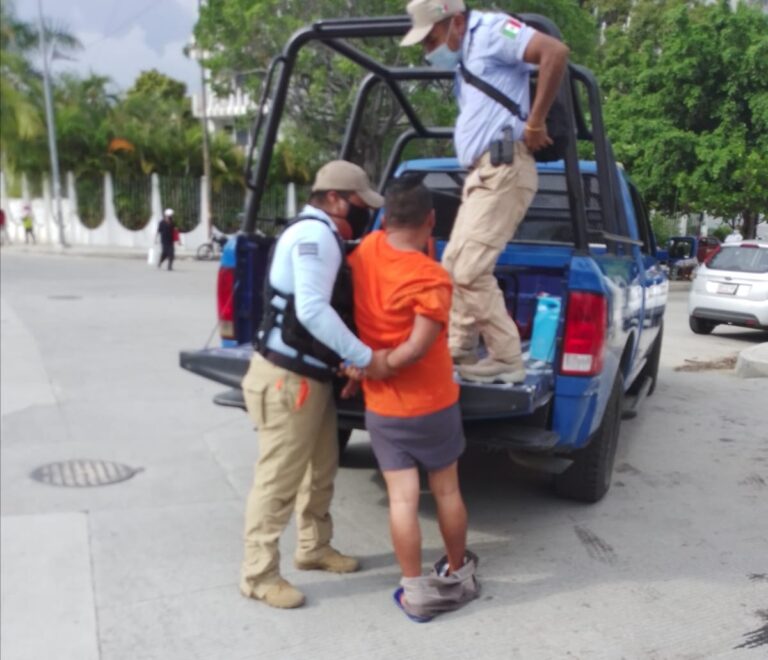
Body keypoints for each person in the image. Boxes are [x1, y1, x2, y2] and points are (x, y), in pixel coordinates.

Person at [240, 160, 393, 610]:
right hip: (289, 380)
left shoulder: (325, 235)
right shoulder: (314, 237)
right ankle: (258, 574)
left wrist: (341, 363)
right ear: (334, 198)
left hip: (311, 377)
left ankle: (313, 546)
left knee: (320, 469)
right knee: (278, 480)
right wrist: (363, 357)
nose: (365, 212)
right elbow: (311, 310)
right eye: (361, 203)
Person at [401, 0, 569, 383]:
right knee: (453, 266)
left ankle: (507, 358)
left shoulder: (492, 32)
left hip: (504, 168)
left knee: (471, 270)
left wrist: (535, 121)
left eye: (432, 40)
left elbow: (554, 52)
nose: (430, 52)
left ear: (457, 22)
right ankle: (459, 349)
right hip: (484, 173)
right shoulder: (467, 56)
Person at [348, 176, 476, 622]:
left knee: (402, 499)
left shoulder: (366, 251)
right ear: (432, 220)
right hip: (433, 402)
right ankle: (458, 574)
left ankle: (415, 589)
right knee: (446, 490)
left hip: (383, 407)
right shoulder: (432, 278)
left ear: (385, 217)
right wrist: (387, 363)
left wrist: (370, 365)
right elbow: (420, 345)